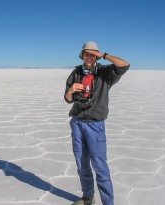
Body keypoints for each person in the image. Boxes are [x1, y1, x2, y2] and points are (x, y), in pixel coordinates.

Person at [64, 41, 130, 205]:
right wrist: (71, 90)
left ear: (97, 55)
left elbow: (125, 65)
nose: (89, 57)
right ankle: (88, 198)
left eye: (93, 54)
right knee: (82, 164)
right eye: (87, 54)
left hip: (95, 125)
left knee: (100, 167)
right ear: (82, 55)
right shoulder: (76, 73)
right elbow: (67, 99)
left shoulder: (105, 73)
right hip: (77, 123)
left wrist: (105, 56)